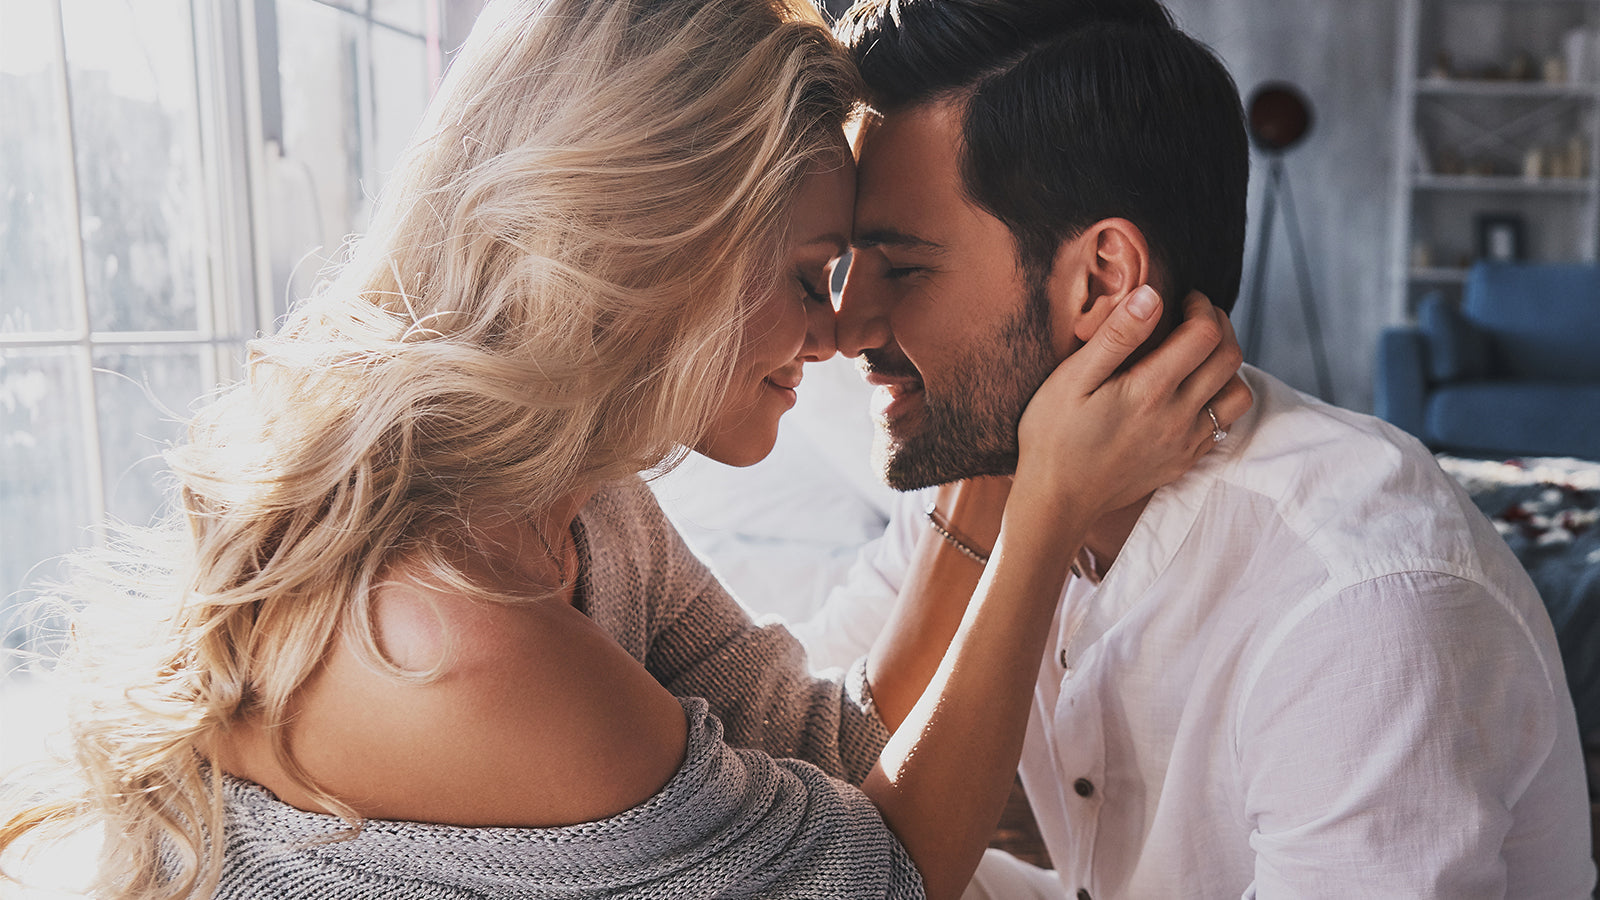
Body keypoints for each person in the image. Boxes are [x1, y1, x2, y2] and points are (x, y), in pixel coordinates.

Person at [0, 1, 1249, 898]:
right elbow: (887, 875)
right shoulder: (452, 636)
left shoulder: (572, 511)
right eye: (811, 277)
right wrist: (1047, 504)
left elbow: (834, 754)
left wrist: (994, 429)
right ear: (662, 255)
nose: (832, 335)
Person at [827, 0, 1596, 897]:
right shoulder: (981, 479)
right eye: (843, 263)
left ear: (1103, 280)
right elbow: (816, 758)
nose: (844, 327)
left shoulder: (1361, 605)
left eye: (904, 266)